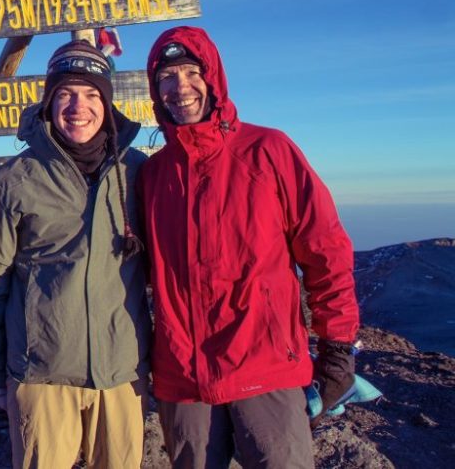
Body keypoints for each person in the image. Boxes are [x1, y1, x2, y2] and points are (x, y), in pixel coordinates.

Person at [137, 26, 360, 468]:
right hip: (184, 381)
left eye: (190, 72)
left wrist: (337, 346)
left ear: (213, 77)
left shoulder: (267, 150)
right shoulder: (153, 174)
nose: (179, 87)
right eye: (166, 77)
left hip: (266, 368)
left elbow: (325, 250)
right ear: (154, 88)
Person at [0, 40, 152, 468]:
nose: (77, 106)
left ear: (106, 103)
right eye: (65, 93)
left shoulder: (138, 172)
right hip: (41, 374)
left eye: (91, 94)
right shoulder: (9, 182)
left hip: (122, 374)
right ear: (48, 102)